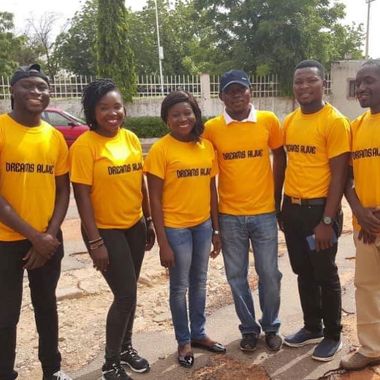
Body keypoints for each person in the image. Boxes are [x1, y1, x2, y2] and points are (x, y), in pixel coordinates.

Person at [69, 79, 155, 380]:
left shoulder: (130, 139)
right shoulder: (84, 146)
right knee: (125, 295)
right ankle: (110, 363)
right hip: (104, 231)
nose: (112, 113)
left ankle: (126, 348)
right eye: (104, 108)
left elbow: (140, 182)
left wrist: (148, 221)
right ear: (93, 112)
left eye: (116, 106)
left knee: (129, 295)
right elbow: (81, 196)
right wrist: (95, 242)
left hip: (134, 226)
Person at [203, 70, 285, 352]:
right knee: (236, 276)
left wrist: (277, 200)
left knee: (269, 274)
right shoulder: (212, 129)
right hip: (230, 216)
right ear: (221, 96)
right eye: (230, 91)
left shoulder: (268, 121)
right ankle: (249, 329)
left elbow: (280, 156)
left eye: (241, 90)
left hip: (264, 214)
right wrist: (214, 224)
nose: (236, 96)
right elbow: (207, 175)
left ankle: (272, 326)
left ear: (251, 91)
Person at [144, 91, 225, 368]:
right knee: (179, 287)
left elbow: (211, 189)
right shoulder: (160, 150)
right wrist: (163, 242)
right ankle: (183, 340)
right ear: (166, 119)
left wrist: (216, 230)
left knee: (200, 283)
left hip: (202, 226)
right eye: (175, 115)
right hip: (175, 229)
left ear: (195, 114)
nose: (183, 119)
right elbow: (154, 197)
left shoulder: (205, 147)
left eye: (187, 113)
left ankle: (199, 333)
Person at [0, 64, 71, 380]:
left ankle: (52, 371)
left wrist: (50, 235)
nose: (36, 92)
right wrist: (34, 236)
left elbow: (62, 189)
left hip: (47, 239)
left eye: (42, 87)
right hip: (5, 241)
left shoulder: (55, 137)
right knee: (5, 314)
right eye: (28, 86)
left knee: (47, 308)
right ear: (12, 90)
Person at [280, 60, 351, 361]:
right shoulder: (291, 121)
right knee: (302, 271)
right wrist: (281, 208)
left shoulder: (334, 121)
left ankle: (333, 334)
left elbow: (340, 175)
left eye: (310, 81)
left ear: (323, 84)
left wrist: (326, 219)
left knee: (325, 273)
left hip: (320, 211)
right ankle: (313, 327)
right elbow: (287, 164)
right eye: (298, 82)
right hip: (293, 210)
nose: (304, 87)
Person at [340, 59, 380, 370]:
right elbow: (346, 178)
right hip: (365, 226)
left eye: (369, 81)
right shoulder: (356, 127)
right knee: (367, 289)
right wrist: (359, 211)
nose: (362, 88)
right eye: (359, 83)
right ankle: (371, 348)